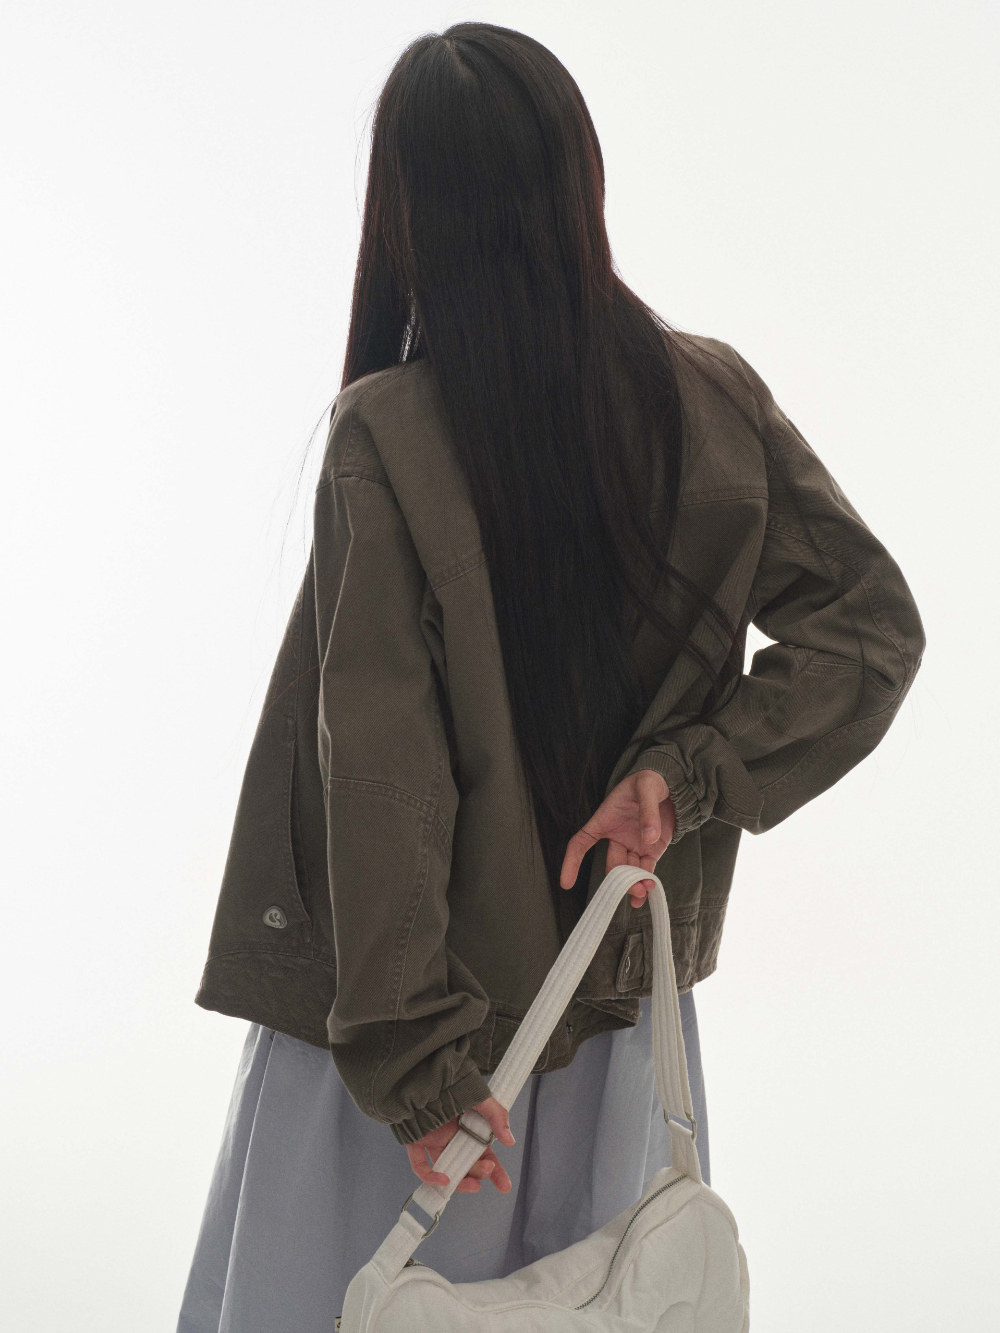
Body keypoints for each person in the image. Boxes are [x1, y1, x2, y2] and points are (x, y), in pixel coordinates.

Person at [175, 21, 925, 1333]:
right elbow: (869, 631)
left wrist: (414, 1061)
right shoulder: (712, 399)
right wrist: (681, 779)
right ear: (581, 180)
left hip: (415, 1032)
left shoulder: (388, 434)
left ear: (411, 212)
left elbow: (382, 769)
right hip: (611, 1013)